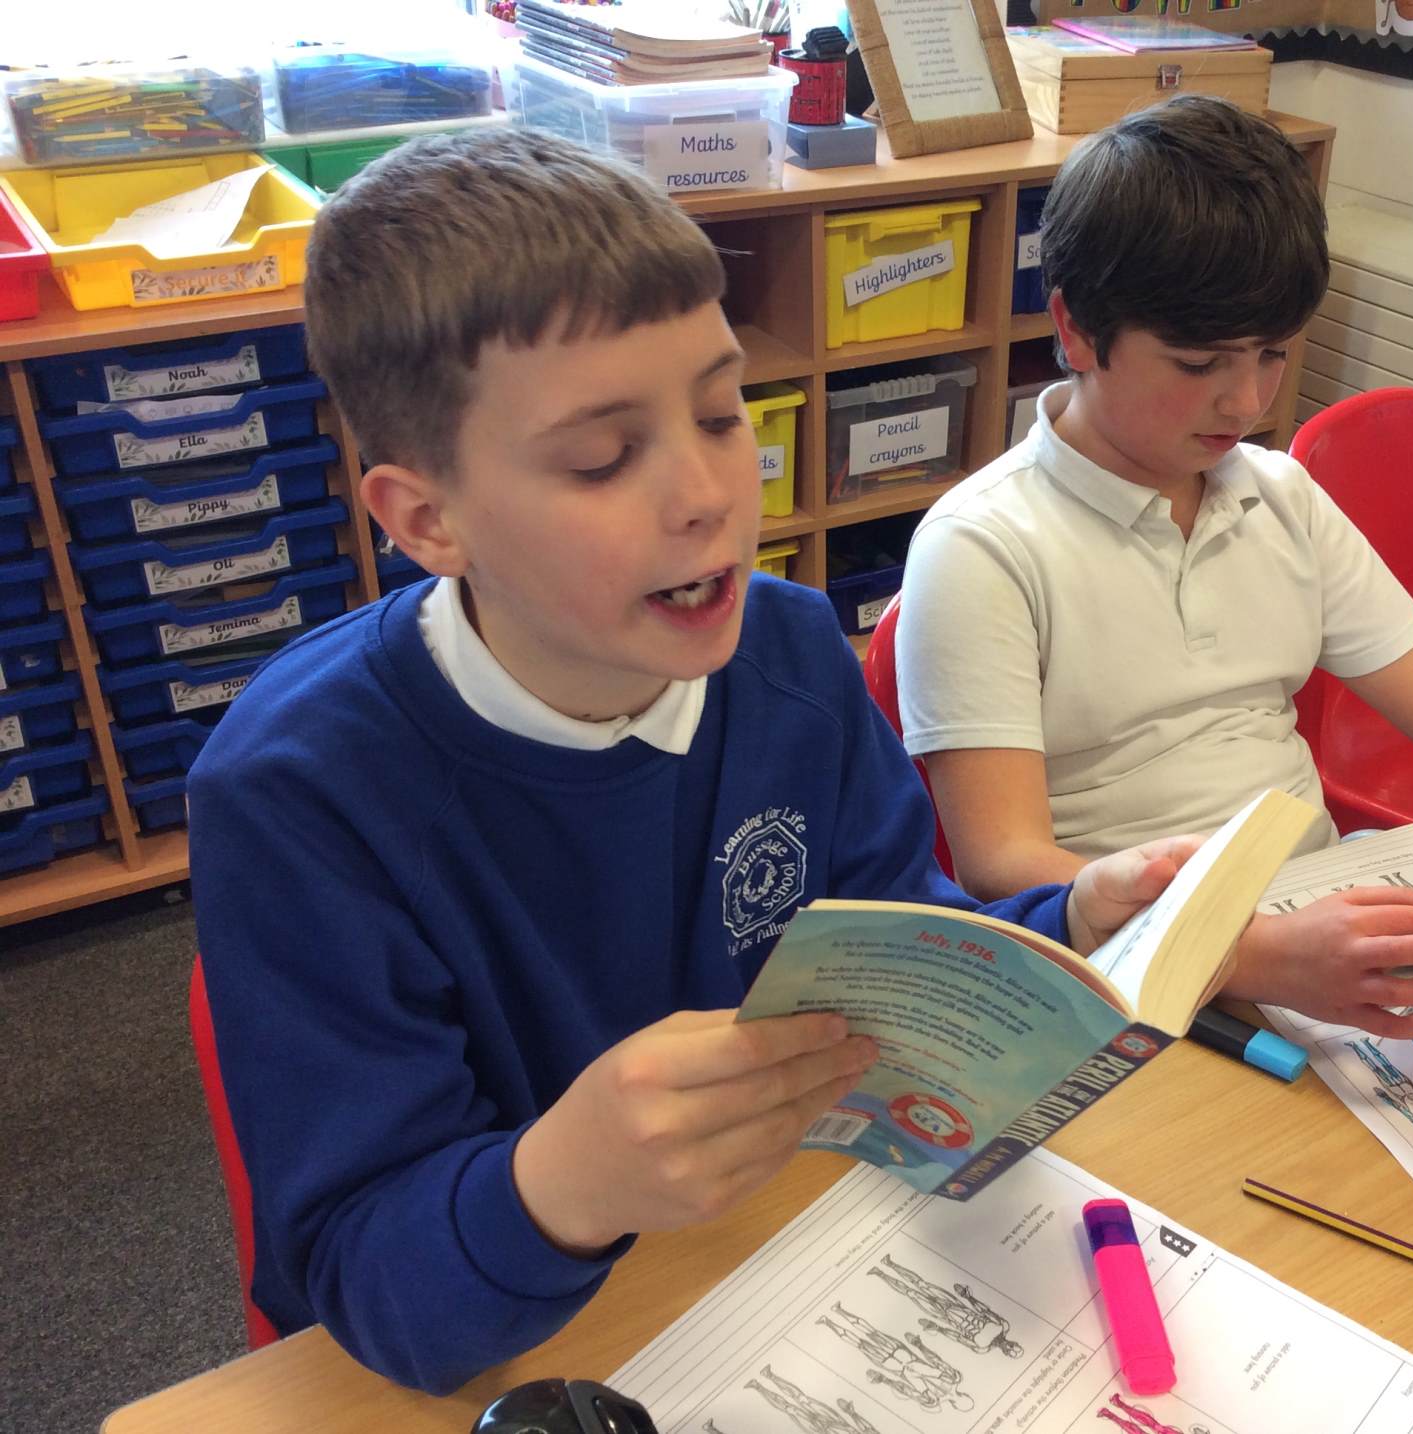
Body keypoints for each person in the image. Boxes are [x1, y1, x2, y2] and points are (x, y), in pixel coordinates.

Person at [188, 129, 1206, 1394]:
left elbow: (903, 958)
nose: (710, 492)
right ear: (428, 519)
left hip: (783, 1270)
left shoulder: (788, 652)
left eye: (723, 415)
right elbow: (367, 1285)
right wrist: (561, 1184)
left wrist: (1068, 922)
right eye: (603, 458)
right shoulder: (297, 793)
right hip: (519, 1348)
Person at [894, 97, 1413, 1037]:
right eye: (1199, 363)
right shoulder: (983, 546)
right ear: (1074, 330)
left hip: (1314, 919)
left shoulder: (1280, 498)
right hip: (1131, 969)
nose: (1245, 400)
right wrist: (1256, 951)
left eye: (1272, 353)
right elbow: (1002, 862)